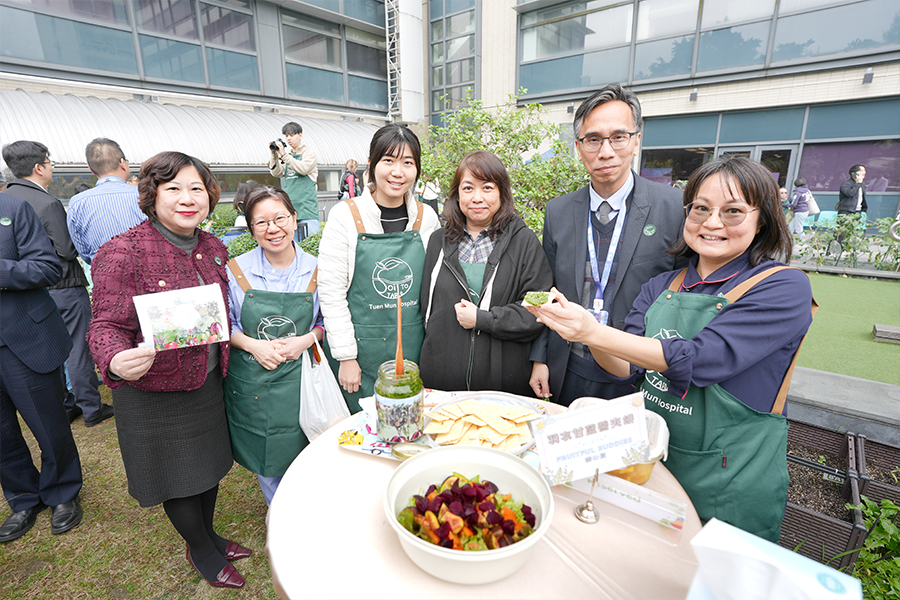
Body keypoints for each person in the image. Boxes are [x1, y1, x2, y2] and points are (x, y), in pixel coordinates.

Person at [527, 156, 814, 543]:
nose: (712, 223)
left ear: (762, 219)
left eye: (732, 211)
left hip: (729, 478)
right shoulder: (664, 284)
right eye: (700, 209)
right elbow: (625, 367)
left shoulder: (782, 288)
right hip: (650, 463)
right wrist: (584, 335)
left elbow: (699, 359)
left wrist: (594, 329)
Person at [87, 151, 249, 589]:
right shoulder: (123, 251)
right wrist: (115, 359)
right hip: (154, 390)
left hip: (207, 380)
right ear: (152, 194)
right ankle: (201, 550)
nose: (187, 198)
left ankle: (210, 535)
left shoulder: (213, 246)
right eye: (174, 188)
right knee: (178, 476)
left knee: (209, 467)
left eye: (197, 188)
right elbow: (104, 324)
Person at [529, 83, 685, 406]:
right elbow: (549, 289)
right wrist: (540, 357)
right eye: (593, 140)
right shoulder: (558, 211)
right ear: (578, 146)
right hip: (567, 366)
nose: (606, 151)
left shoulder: (674, 208)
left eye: (618, 137)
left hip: (637, 375)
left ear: (636, 140)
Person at [318, 124, 440, 413]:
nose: (398, 172)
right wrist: (346, 357)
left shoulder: (427, 218)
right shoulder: (345, 216)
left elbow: (434, 291)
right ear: (372, 165)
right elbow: (331, 292)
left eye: (408, 163)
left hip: (415, 349)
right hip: (361, 353)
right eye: (389, 161)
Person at [419, 151, 552, 395]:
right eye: (468, 188)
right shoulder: (438, 242)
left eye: (487, 187)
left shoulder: (524, 242)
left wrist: (484, 319)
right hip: (442, 382)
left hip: (503, 382)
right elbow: (426, 308)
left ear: (502, 192)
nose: (477, 198)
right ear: (457, 195)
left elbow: (537, 309)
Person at [224, 186, 323, 506]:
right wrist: (255, 346)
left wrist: (306, 339)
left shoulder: (319, 268)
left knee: (308, 446)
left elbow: (327, 322)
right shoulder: (235, 269)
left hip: (302, 378)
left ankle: (308, 506)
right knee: (265, 451)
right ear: (251, 229)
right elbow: (226, 325)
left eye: (280, 218)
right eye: (261, 222)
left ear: (295, 220)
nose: (273, 229)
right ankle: (280, 513)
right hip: (256, 380)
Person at [2, 141, 113, 427]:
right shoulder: (47, 202)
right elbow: (65, 249)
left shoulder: (8, 200)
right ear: (39, 167)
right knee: (77, 347)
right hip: (64, 284)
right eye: (50, 163)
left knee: (49, 347)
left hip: (28, 292)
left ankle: (66, 404)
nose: (52, 168)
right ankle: (90, 407)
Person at [0, 192, 84, 543]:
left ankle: (62, 491)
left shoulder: (12, 208)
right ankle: (22, 497)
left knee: (48, 422)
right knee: (1, 433)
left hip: (23, 335)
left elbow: (47, 267)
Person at [66, 138, 147, 265]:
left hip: (104, 276)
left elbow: (84, 252)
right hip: (148, 272)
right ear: (122, 163)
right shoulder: (144, 195)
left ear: (91, 169)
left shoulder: (77, 203)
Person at [268, 122, 318, 242]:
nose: (288, 138)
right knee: (292, 249)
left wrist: (284, 155)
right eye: (286, 136)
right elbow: (276, 173)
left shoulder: (309, 153)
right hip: (290, 213)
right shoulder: (288, 156)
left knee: (310, 248)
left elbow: (303, 168)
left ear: (300, 135)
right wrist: (274, 155)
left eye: (291, 135)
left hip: (307, 212)